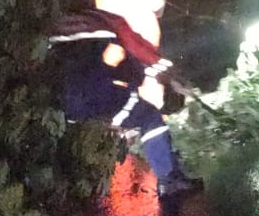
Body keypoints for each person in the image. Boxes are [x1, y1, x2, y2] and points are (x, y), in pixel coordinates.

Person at [51, 11, 202, 198]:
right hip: (90, 97)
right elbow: (138, 49)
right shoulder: (107, 20)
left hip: (56, 101)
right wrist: (172, 77)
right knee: (149, 116)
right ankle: (170, 180)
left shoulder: (56, 20)